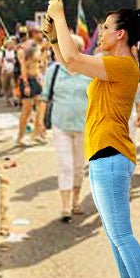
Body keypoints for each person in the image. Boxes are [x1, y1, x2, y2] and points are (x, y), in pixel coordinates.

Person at [45, 0, 140, 278]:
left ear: (121, 34)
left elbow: (73, 57)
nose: (101, 32)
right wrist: (54, 36)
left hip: (111, 155)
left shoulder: (123, 66)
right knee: (114, 234)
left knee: (122, 234)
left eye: (107, 27)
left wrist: (59, 16)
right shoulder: (110, 63)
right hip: (103, 155)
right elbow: (69, 63)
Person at [41, 35, 92, 220]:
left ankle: (76, 201)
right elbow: (45, 97)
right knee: (65, 166)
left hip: (84, 125)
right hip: (60, 124)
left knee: (79, 166)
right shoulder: (53, 71)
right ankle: (64, 206)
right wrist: (39, 121)